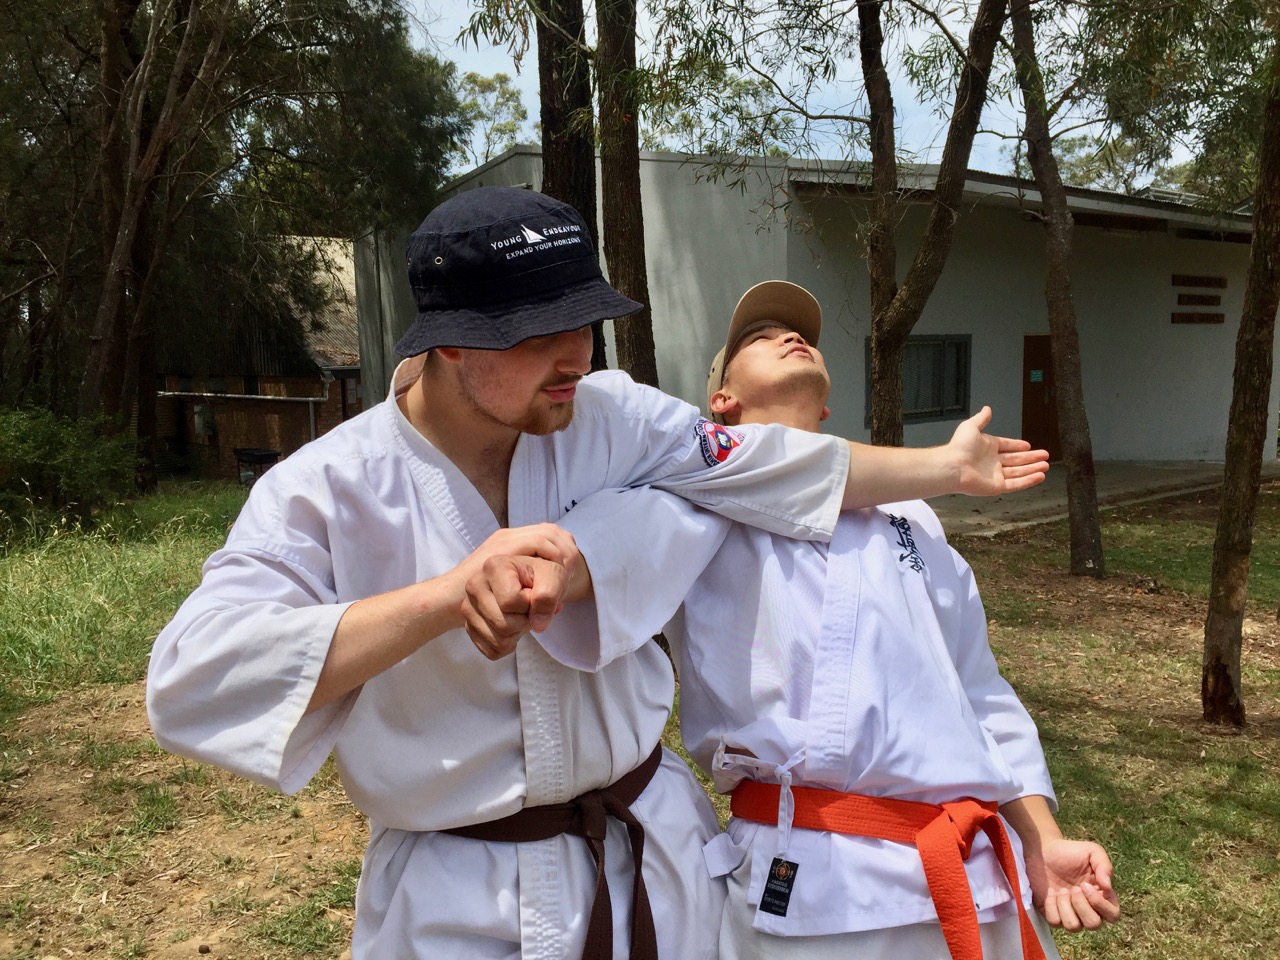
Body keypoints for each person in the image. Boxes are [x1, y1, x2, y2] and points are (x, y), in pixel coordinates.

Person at [146, 189, 1048, 960]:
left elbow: (772, 467)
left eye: (584, 322)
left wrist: (944, 468)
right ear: (451, 342)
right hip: (459, 894)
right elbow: (194, 676)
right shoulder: (325, 489)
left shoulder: (611, 419)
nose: (577, 353)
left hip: (650, 854)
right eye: (541, 332)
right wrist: (442, 599)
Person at [538, 281, 1118, 960]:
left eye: (800, 335)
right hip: (814, 885)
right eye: (758, 339)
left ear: (828, 404)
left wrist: (1042, 841)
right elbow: (592, 559)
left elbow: (979, 692)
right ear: (721, 403)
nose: (790, 336)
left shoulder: (914, 516)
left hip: (975, 878)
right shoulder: (690, 504)